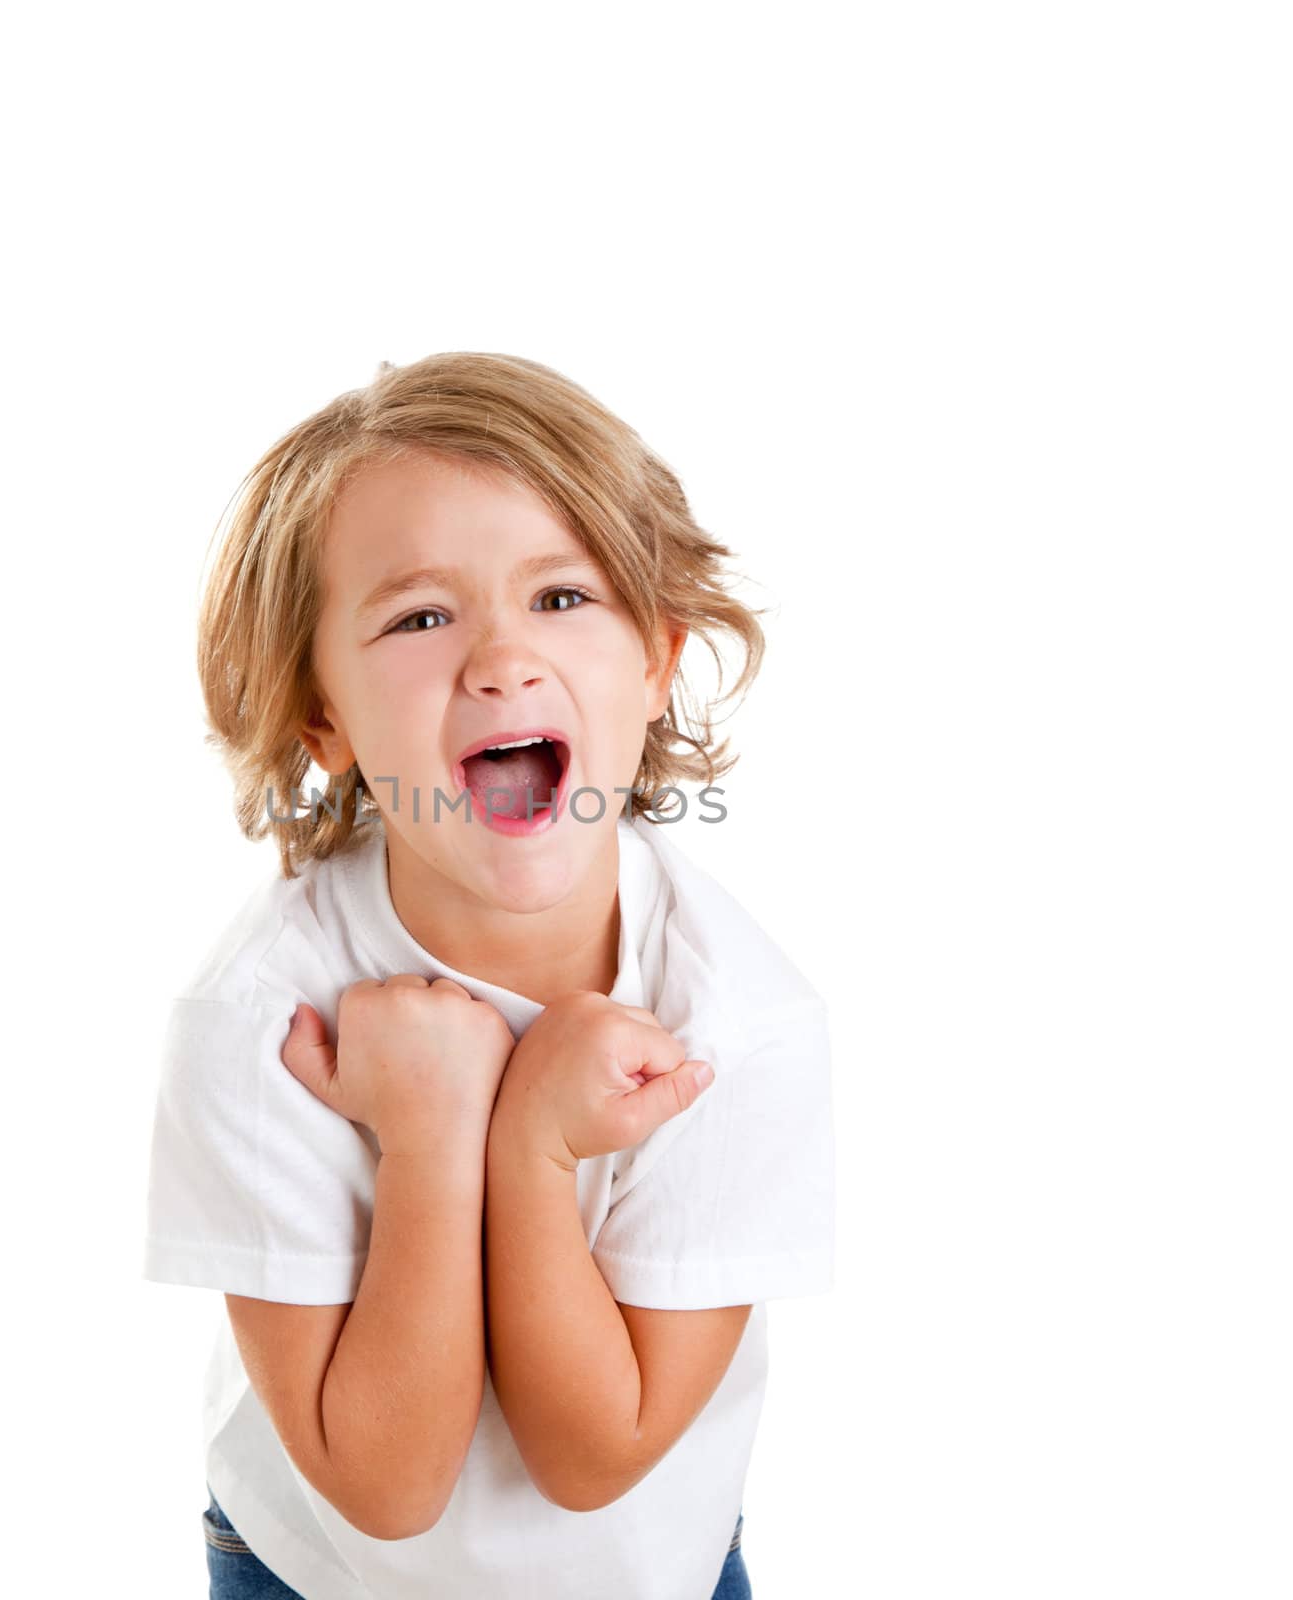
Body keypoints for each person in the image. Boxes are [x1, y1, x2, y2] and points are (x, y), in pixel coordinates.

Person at [142, 352, 835, 1600]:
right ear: (327, 724)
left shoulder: (734, 1016)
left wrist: (522, 1141)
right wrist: (425, 1133)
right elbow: (387, 1487)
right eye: (419, 616)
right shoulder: (264, 1013)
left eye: (562, 598)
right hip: (325, 1574)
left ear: (657, 662)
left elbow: (592, 1452)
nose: (502, 660)